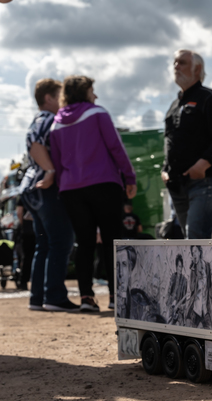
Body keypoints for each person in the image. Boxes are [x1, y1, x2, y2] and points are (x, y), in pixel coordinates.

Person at [50, 75, 137, 312]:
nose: (95, 95)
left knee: (85, 243)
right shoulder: (97, 113)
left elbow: (56, 162)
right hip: (104, 183)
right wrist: (129, 177)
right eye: (92, 90)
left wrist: (63, 186)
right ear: (84, 92)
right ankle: (115, 297)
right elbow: (115, 147)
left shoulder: (56, 123)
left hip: (71, 189)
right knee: (111, 241)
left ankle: (86, 298)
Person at [19, 78, 78, 312]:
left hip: (32, 187)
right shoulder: (49, 119)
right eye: (60, 96)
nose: (63, 101)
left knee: (44, 244)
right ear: (49, 98)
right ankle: (54, 296)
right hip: (46, 186)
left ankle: (38, 298)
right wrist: (51, 170)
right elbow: (35, 144)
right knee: (60, 241)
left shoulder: (37, 119)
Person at [162, 49, 212, 240]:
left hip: (204, 182)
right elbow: (169, 141)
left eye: (182, 62)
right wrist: (164, 170)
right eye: (175, 62)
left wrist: (203, 164)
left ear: (197, 68)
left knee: (196, 240)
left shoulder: (210, 98)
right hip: (177, 184)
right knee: (188, 243)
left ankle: (199, 272)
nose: (176, 66)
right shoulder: (174, 106)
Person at [167, 253, 188, 324]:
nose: (180, 269)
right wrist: (171, 305)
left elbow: (184, 303)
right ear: (176, 267)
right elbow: (169, 293)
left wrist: (179, 307)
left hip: (179, 312)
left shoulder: (184, 281)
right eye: (179, 266)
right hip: (171, 309)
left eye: (181, 267)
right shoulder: (173, 277)